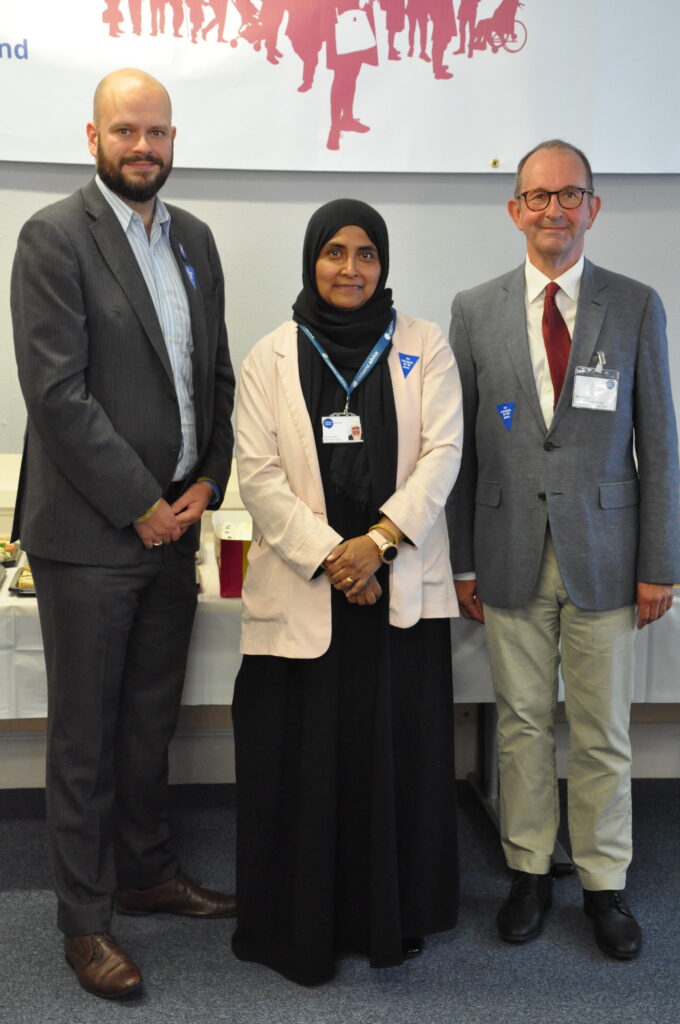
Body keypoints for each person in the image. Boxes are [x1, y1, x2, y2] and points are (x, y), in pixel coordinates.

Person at [11, 68, 236, 999]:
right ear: (93, 137)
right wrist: (141, 500)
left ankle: (146, 872)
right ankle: (86, 920)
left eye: (157, 132)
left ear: (174, 139)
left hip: (176, 528)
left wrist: (209, 480)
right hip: (93, 535)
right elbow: (56, 395)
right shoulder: (53, 237)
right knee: (86, 739)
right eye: (125, 132)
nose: (143, 147)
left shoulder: (196, 240)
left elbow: (213, 375)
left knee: (151, 724)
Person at [447, 139, 680, 960]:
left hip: (609, 556)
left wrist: (660, 562)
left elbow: (661, 442)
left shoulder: (637, 304)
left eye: (569, 195)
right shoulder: (474, 310)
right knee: (517, 725)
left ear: (593, 208)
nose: (554, 209)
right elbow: (463, 450)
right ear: (515, 210)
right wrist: (463, 562)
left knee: (602, 729)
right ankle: (529, 872)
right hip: (507, 552)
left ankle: (605, 884)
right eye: (537, 197)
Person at [232, 198, 463, 985]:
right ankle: (305, 922)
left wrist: (377, 544)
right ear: (312, 260)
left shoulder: (424, 345)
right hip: (311, 594)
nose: (351, 268)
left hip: (394, 598)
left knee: (391, 763)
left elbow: (443, 454)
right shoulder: (271, 354)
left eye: (367, 254)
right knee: (305, 765)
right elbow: (257, 476)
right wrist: (336, 557)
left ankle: (387, 917)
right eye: (335, 252)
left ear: (384, 265)